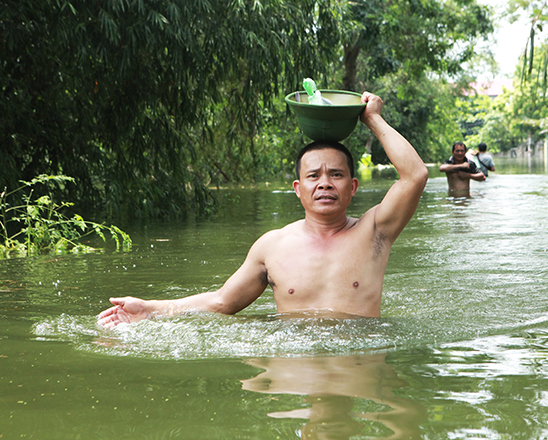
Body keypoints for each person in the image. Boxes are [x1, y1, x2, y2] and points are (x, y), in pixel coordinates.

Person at [98, 92, 429, 328]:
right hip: (297, 366)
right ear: (298, 189)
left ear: (352, 187)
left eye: (336, 175)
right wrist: (151, 309)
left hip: (359, 364)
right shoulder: (272, 246)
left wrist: (372, 118)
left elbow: (414, 175)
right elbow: (223, 302)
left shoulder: (375, 231)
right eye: (313, 175)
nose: (324, 183)